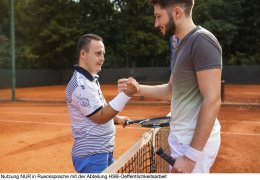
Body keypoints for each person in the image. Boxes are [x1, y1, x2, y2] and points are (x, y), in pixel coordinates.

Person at [118, 0, 222, 173]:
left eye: (159, 17)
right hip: (182, 140)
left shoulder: (202, 41)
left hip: (192, 145)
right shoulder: (182, 44)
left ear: (177, 13)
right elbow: (171, 89)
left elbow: (212, 100)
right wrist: (137, 89)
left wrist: (190, 156)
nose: (156, 23)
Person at [65, 34, 138, 173]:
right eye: (98, 53)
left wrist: (117, 118)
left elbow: (101, 107)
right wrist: (126, 95)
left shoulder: (91, 80)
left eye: (103, 54)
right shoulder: (80, 85)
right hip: (91, 156)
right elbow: (101, 117)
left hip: (103, 151)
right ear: (83, 54)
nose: (102, 58)